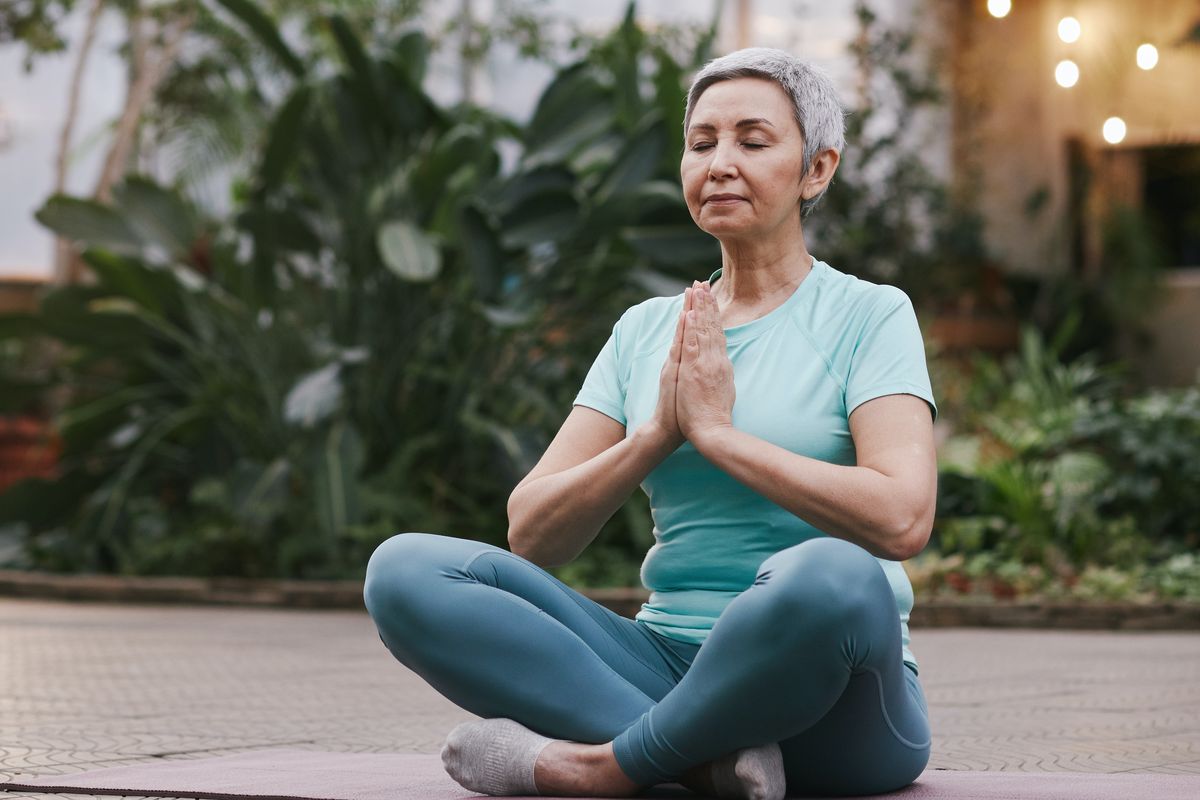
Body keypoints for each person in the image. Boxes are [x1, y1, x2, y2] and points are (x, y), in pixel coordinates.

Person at [363, 46, 937, 800]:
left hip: (838, 705)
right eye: (702, 144)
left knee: (829, 572)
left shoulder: (870, 314)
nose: (720, 163)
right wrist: (652, 438)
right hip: (664, 660)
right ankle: (705, 762)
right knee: (405, 571)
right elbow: (534, 533)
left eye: (753, 142)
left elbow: (901, 519)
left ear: (817, 170)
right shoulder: (646, 331)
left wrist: (721, 437)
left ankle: (605, 766)